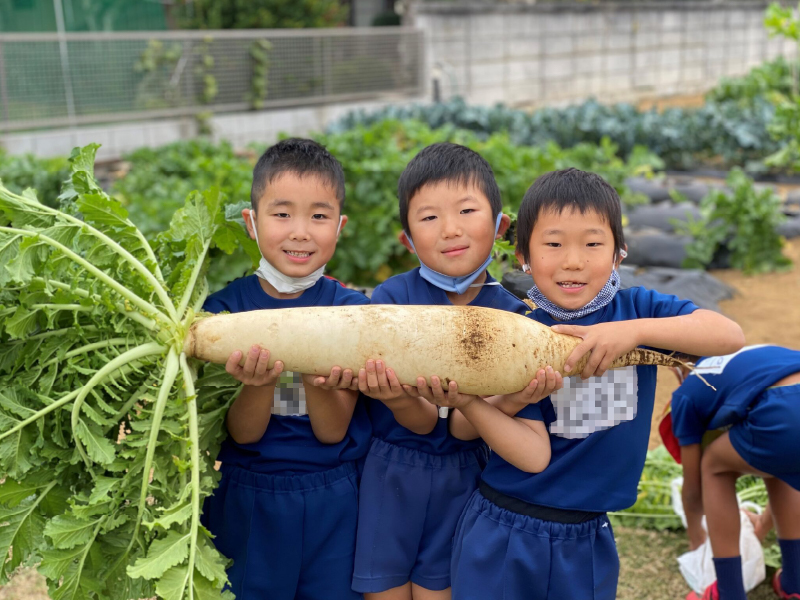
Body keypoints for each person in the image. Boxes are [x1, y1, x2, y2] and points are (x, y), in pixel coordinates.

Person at [450, 167, 745, 600]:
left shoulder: (638, 308)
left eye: (592, 243)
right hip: (508, 525)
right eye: (553, 244)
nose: (573, 260)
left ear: (619, 253)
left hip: (589, 533)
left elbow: (727, 335)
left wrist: (632, 332)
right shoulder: (520, 331)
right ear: (523, 257)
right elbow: (522, 448)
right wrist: (501, 399)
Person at [352, 142, 560, 600]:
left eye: (467, 210)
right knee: (382, 588)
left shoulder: (518, 320)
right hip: (390, 471)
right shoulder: (389, 301)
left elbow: (470, 428)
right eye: (428, 218)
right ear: (407, 240)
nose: (450, 230)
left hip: (469, 477)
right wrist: (396, 395)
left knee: (441, 590)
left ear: (501, 225)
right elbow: (422, 419)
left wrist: (514, 395)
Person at [201, 138, 370, 600]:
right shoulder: (222, 316)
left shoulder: (354, 312)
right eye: (281, 214)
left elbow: (333, 431)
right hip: (248, 496)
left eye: (318, 216)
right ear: (251, 223)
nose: (300, 232)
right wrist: (260, 384)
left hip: (334, 495)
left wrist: (314, 372)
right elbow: (244, 435)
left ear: (340, 226)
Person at [667, 345, 800, 600]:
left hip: (785, 410)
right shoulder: (754, 354)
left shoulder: (689, 388)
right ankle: (794, 582)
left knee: (714, 467)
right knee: (780, 459)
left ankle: (728, 592)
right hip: (788, 403)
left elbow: (694, 490)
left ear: (677, 369)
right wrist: (762, 524)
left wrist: (697, 539)